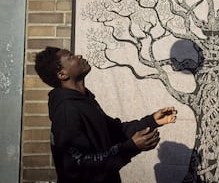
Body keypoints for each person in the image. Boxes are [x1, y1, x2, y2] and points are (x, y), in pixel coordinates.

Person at [34, 46, 177, 183]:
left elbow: (115, 131)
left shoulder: (85, 102)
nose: (79, 56)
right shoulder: (66, 111)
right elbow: (79, 166)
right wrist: (130, 148)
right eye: (71, 56)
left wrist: (151, 121)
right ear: (62, 74)